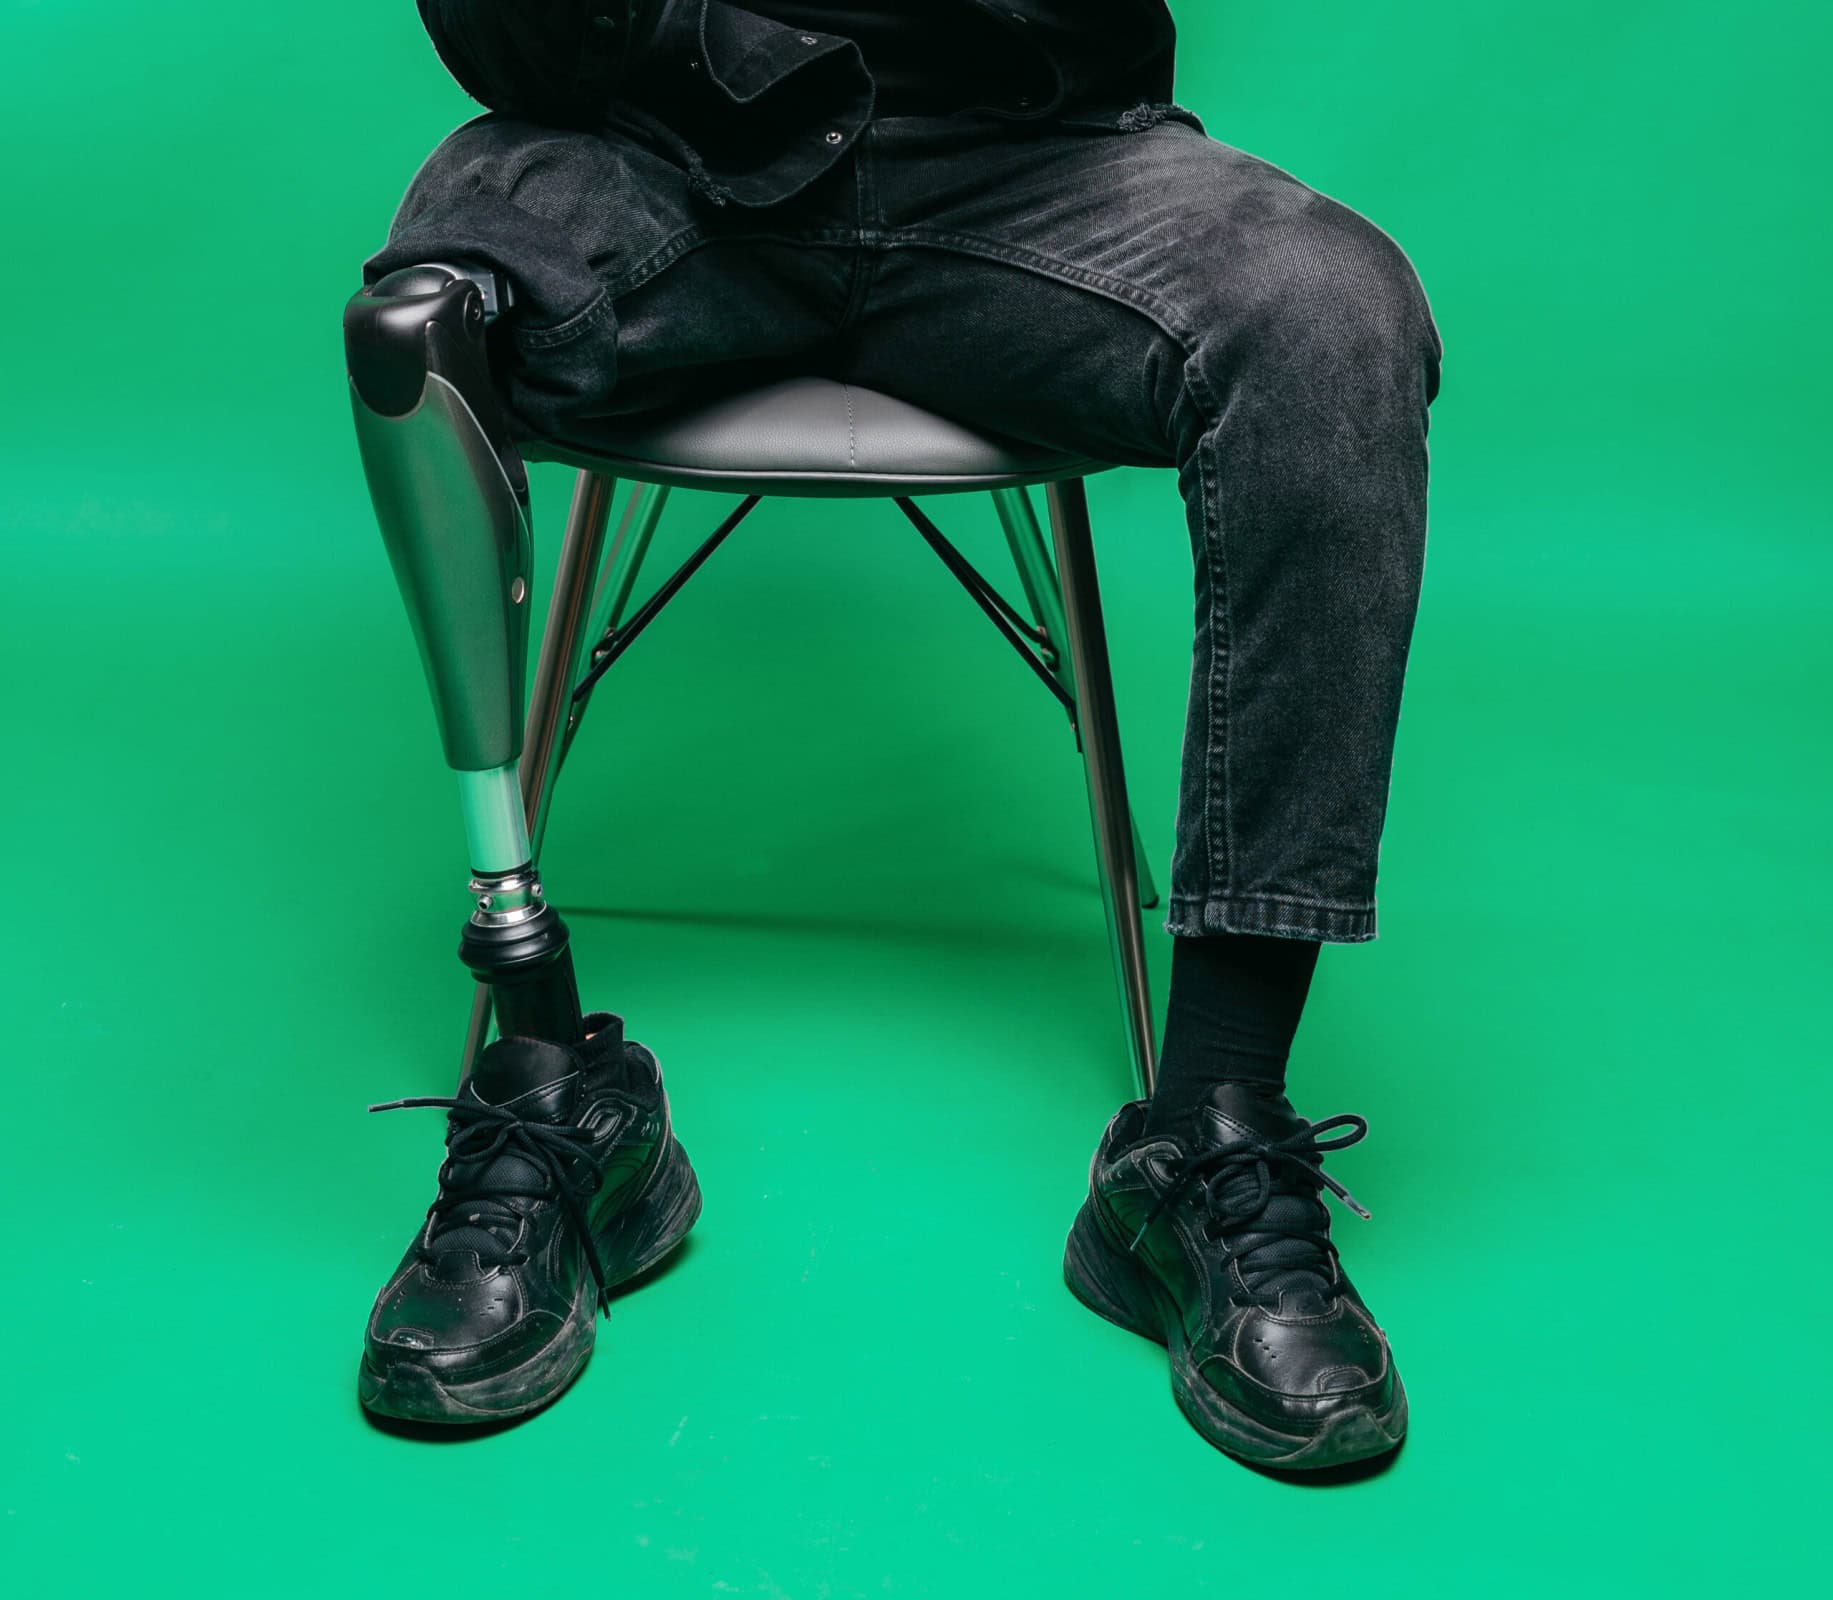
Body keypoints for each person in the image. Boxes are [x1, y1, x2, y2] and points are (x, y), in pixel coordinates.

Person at [345, 0, 1442, 1471]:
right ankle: (553, 1088)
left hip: (1033, 170)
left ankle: (1207, 1132)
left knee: (1331, 322)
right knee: (421, 328)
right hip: (648, 163)